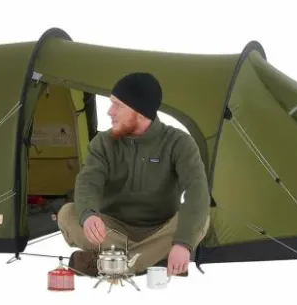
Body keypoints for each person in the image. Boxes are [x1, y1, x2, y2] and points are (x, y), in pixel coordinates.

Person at [57, 71, 211, 278]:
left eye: (118, 105)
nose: (110, 112)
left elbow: (197, 192)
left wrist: (183, 244)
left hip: (161, 229)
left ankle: (110, 262)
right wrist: (89, 215)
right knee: (67, 213)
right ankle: (153, 260)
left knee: (202, 218)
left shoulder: (179, 143)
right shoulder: (103, 143)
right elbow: (88, 182)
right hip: (111, 229)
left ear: (140, 111)